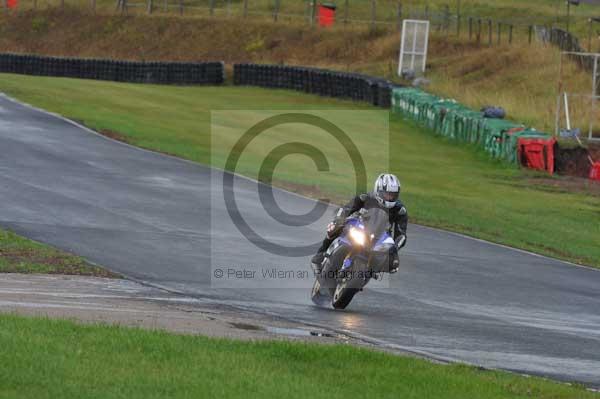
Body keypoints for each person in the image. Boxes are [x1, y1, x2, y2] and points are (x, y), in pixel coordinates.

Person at [311, 173, 408, 272]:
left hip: (380, 236)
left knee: (393, 264)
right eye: (386, 194)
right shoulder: (365, 197)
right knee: (334, 227)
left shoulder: (400, 210)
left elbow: (401, 234)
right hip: (360, 225)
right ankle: (319, 256)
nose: (389, 197)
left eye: (393, 195)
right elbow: (347, 208)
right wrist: (339, 219)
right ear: (378, 190)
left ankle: (369, 272)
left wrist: (395, 247)